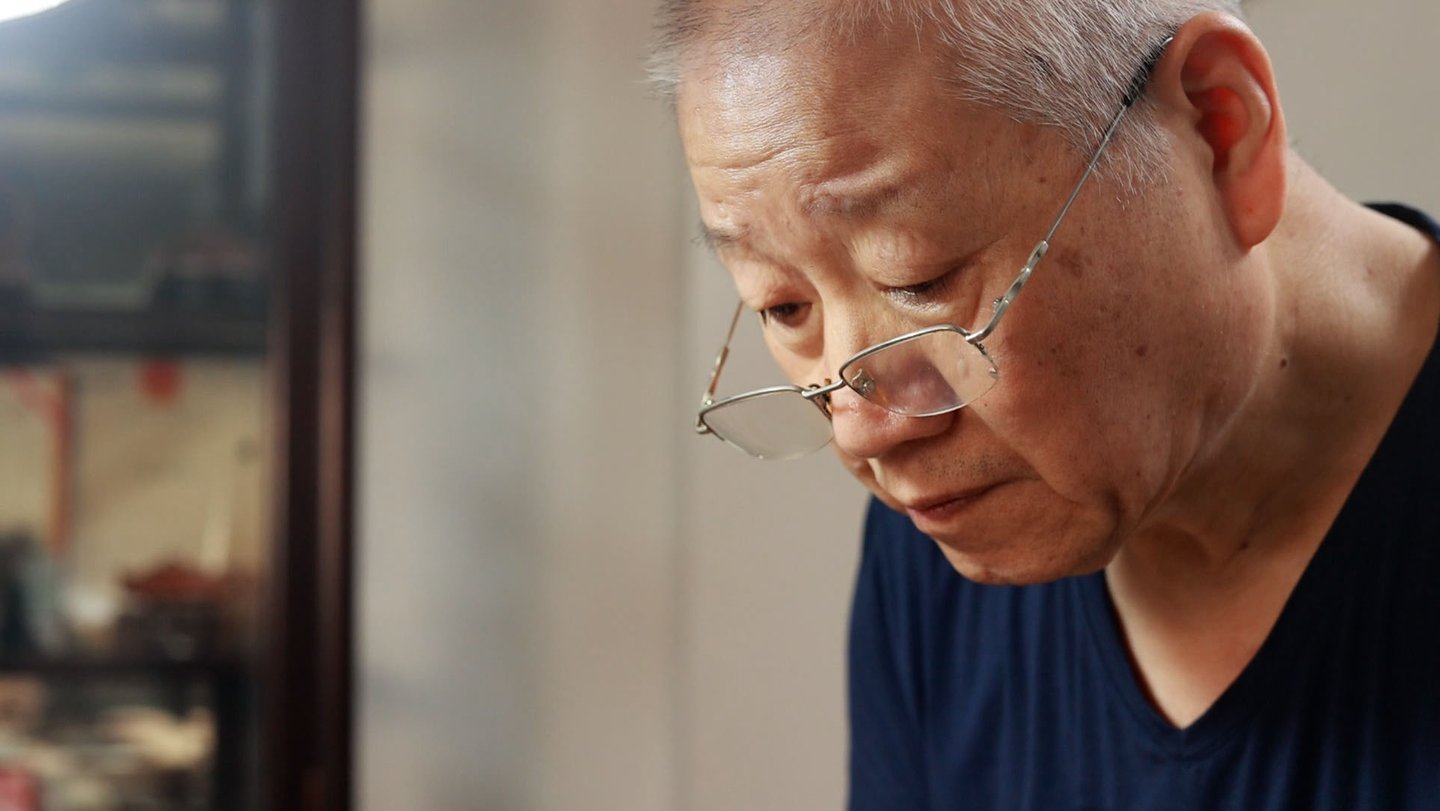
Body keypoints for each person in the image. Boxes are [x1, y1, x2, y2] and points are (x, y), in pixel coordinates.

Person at [655, 0, 1440, 808]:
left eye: (916, 279)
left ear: (1220, 129)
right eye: (784, 306)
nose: (865, 430)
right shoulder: (943, 544)